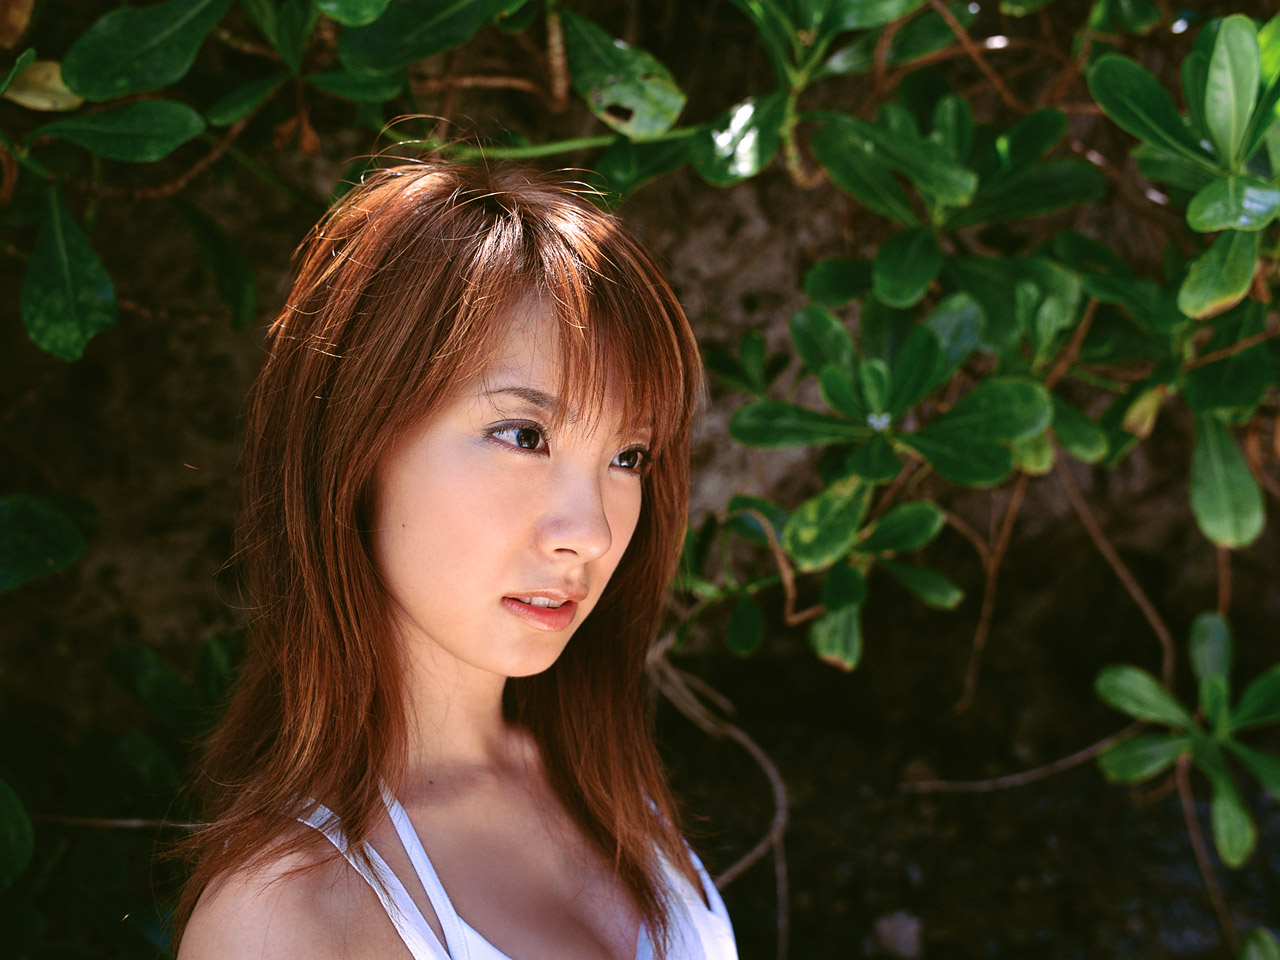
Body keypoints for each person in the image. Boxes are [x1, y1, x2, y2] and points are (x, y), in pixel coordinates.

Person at [175, 161, 738, 960]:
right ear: (358, 443)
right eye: (523, 436)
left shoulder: (604, 786)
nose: (590, 533)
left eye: (628, 456)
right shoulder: (284, 922)